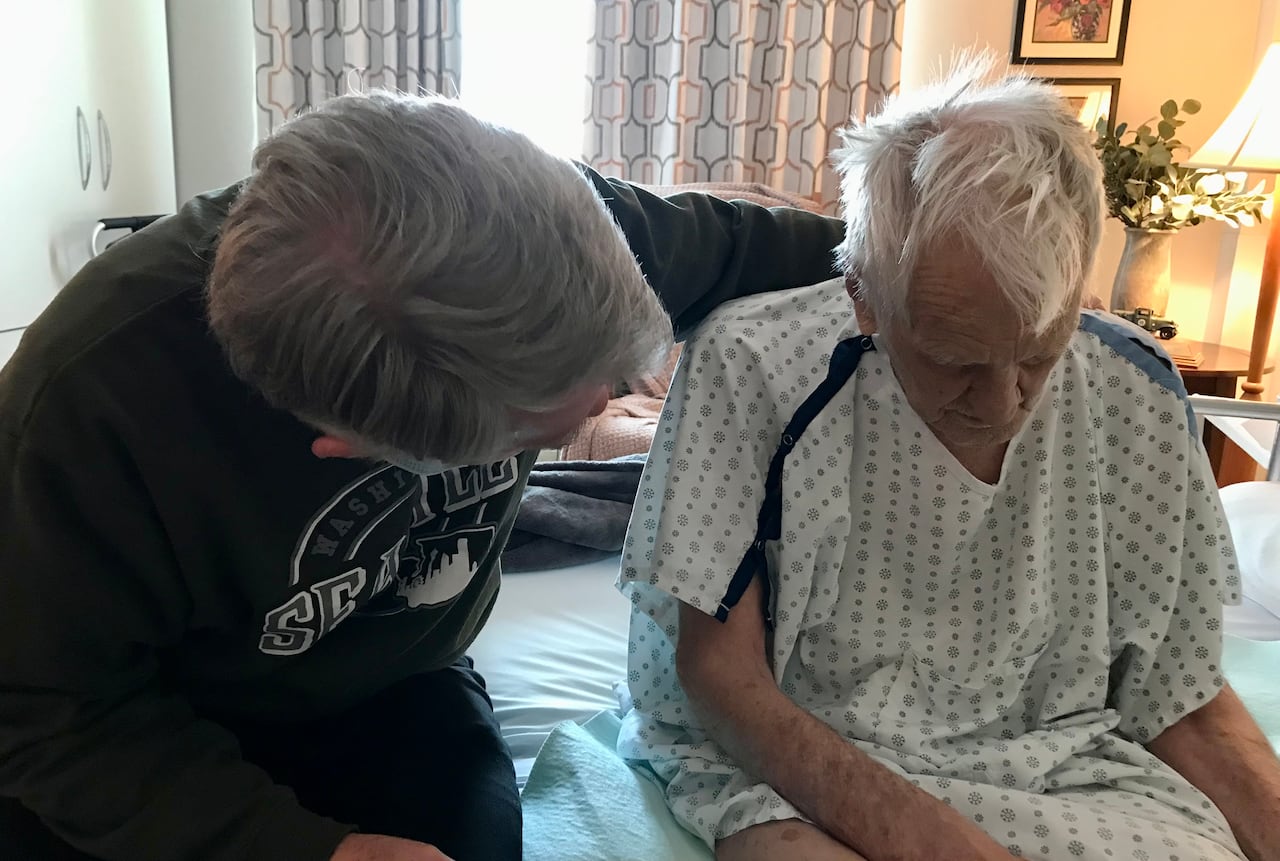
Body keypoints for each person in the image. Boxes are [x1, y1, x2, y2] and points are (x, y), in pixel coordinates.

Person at [0, 92, 846, 861]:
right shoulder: (81, 413)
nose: (611, 404)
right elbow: (45, 714)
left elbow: (830, 252)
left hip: (395, 683)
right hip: (148, 725)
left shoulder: (556, 234)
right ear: (352, 445)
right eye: (542, 431)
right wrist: (311, 851)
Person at [617, 62, 1280, 861]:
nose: (1005, 404)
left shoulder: (1135, 385)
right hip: (789, 756)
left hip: (1056, 761)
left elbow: (1181, 696)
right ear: (863, 295)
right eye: (957, 361)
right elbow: (722, 680)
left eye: (1039, 353)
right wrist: (943, 843)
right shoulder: (748, 365)